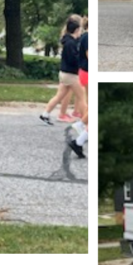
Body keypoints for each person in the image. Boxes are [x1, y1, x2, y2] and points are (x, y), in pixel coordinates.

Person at [39, 16, 82, 125]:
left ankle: (45, 114)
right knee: (82, 97)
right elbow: (73, 59)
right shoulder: (71, 44)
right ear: (76, 30)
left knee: (59, 96)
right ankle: (85, 121)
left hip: (64, 73)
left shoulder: (68, 41)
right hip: (71, 74)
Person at [69, 17, 89, 159]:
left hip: (84, 71)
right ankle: (81, 125)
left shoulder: (84, 36)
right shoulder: (88, 37)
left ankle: (81, 133)